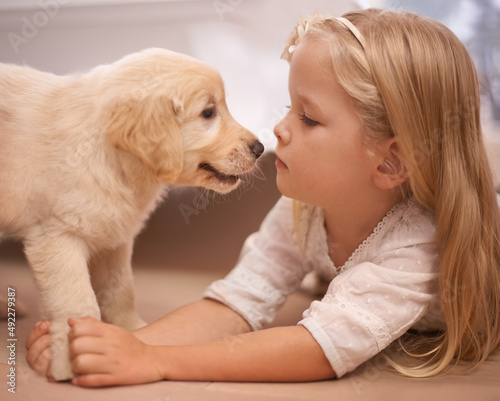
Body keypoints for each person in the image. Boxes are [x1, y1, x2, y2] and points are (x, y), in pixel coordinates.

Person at [25, 8, 500, 387]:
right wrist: (110, 345)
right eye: (290, 106)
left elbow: (317, 349)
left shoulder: (416, 250)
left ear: (389, 164)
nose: (277, 129)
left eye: (308, 118)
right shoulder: (305, 204)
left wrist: (156, 360)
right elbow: (237, 303)